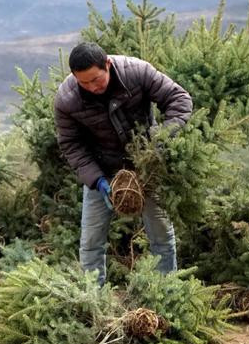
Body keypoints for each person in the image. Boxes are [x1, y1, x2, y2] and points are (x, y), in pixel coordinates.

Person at [54, 42, 193, 286]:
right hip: (102, 171)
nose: (91, 87)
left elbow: (179, 100)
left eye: (96, 79)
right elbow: (71, 146)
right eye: (83, 82)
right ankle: (93, 302)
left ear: (107, 63)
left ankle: (167, 294)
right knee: (90, 243)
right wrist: (98, 181)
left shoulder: (137, 72)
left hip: (148, 169)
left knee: (161, 236)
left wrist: (157, 143)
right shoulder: (67, 99)